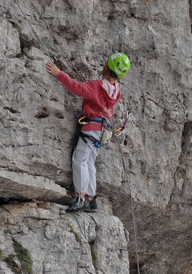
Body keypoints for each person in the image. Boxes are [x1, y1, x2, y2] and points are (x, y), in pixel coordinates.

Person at [45, 52, 130, 213]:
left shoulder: (96, 86)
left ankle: (81, 197)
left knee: (80, 160)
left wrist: (59, 74)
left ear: (107, 66)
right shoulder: (116, 91)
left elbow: (77, 88)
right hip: (103, 131)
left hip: (91, 128)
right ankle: (91, 198)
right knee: (90, 161)